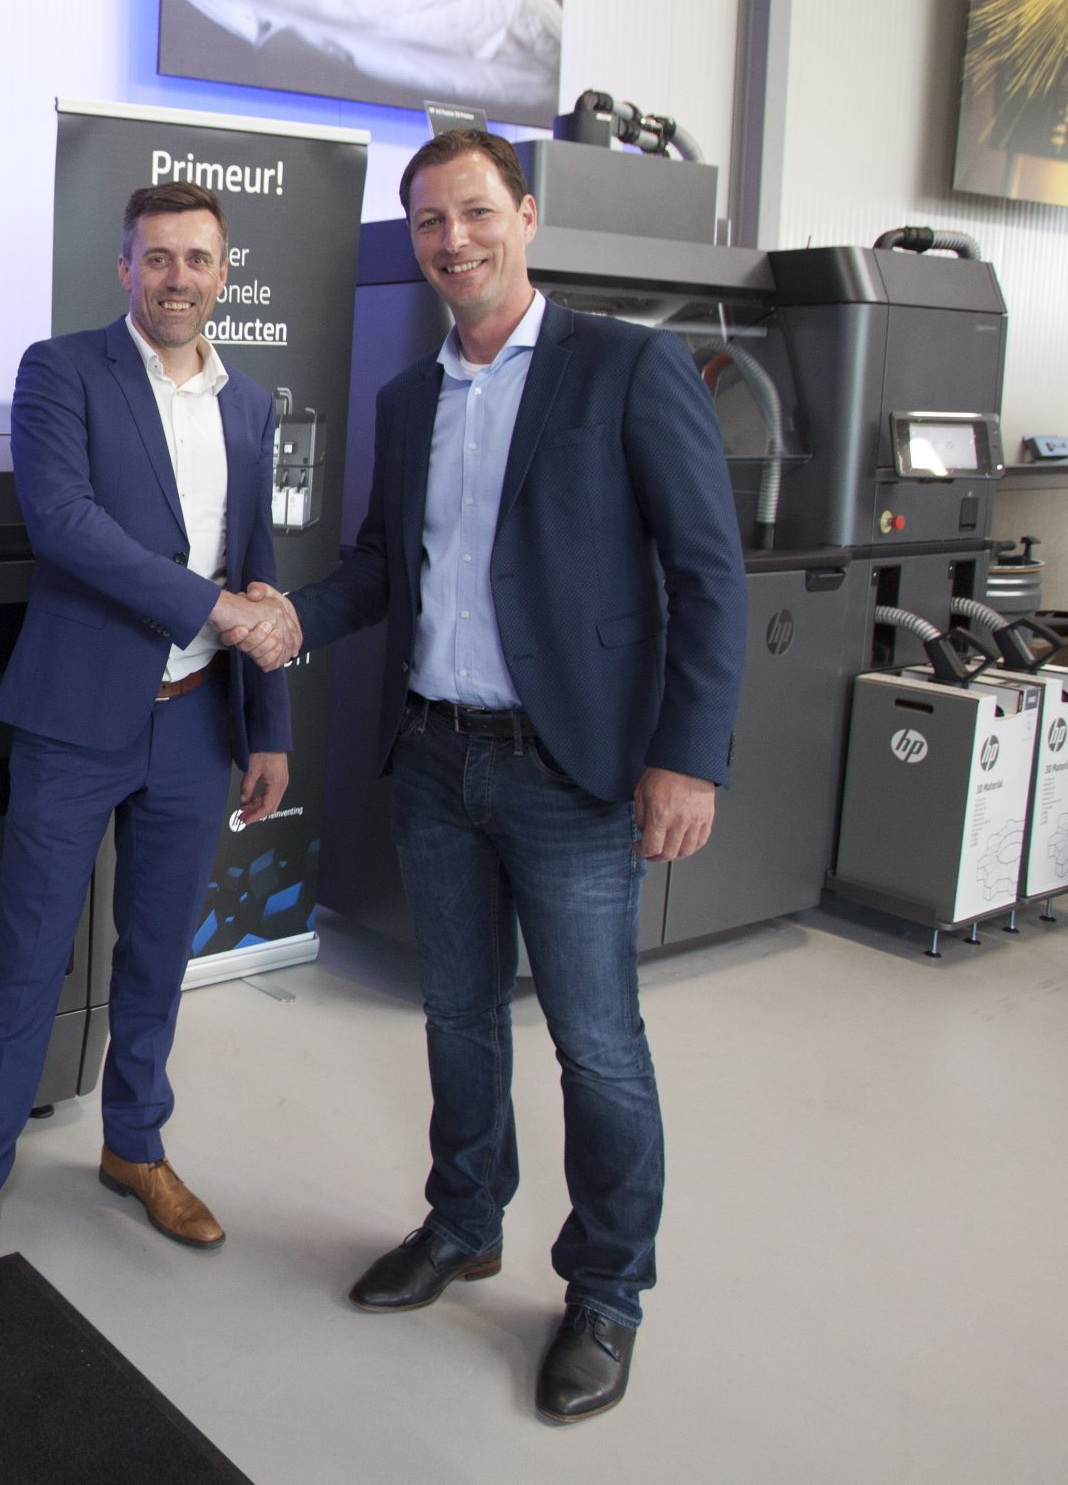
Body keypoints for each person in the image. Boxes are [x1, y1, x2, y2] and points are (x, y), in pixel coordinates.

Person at [229, 129, 745, 1421]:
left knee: (597, 1047)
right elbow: (381, 565)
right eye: (428, 221)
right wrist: (288, 618)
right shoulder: (410, 397)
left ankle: (607, 1291)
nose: (451, 240)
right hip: (435, 757)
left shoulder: (625, 366)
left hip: (572, 771)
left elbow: (706, 575)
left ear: (525, 215)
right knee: (457, 1017)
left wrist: (686, 757)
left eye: (473, 213)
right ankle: (464, 1221)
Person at [0, 180, 294, 1298]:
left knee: (158, 953)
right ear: (124, 267)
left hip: (198, 723)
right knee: (29, 954)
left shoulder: (249, 404)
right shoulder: (61, 371)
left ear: (223, 273)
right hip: (77, 722)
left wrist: (267, 725)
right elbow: (66, 525)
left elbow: (258, 565)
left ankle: (135, 1146)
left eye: (197, 259)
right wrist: (211, 608)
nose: (178, 278)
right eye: (156, 257)